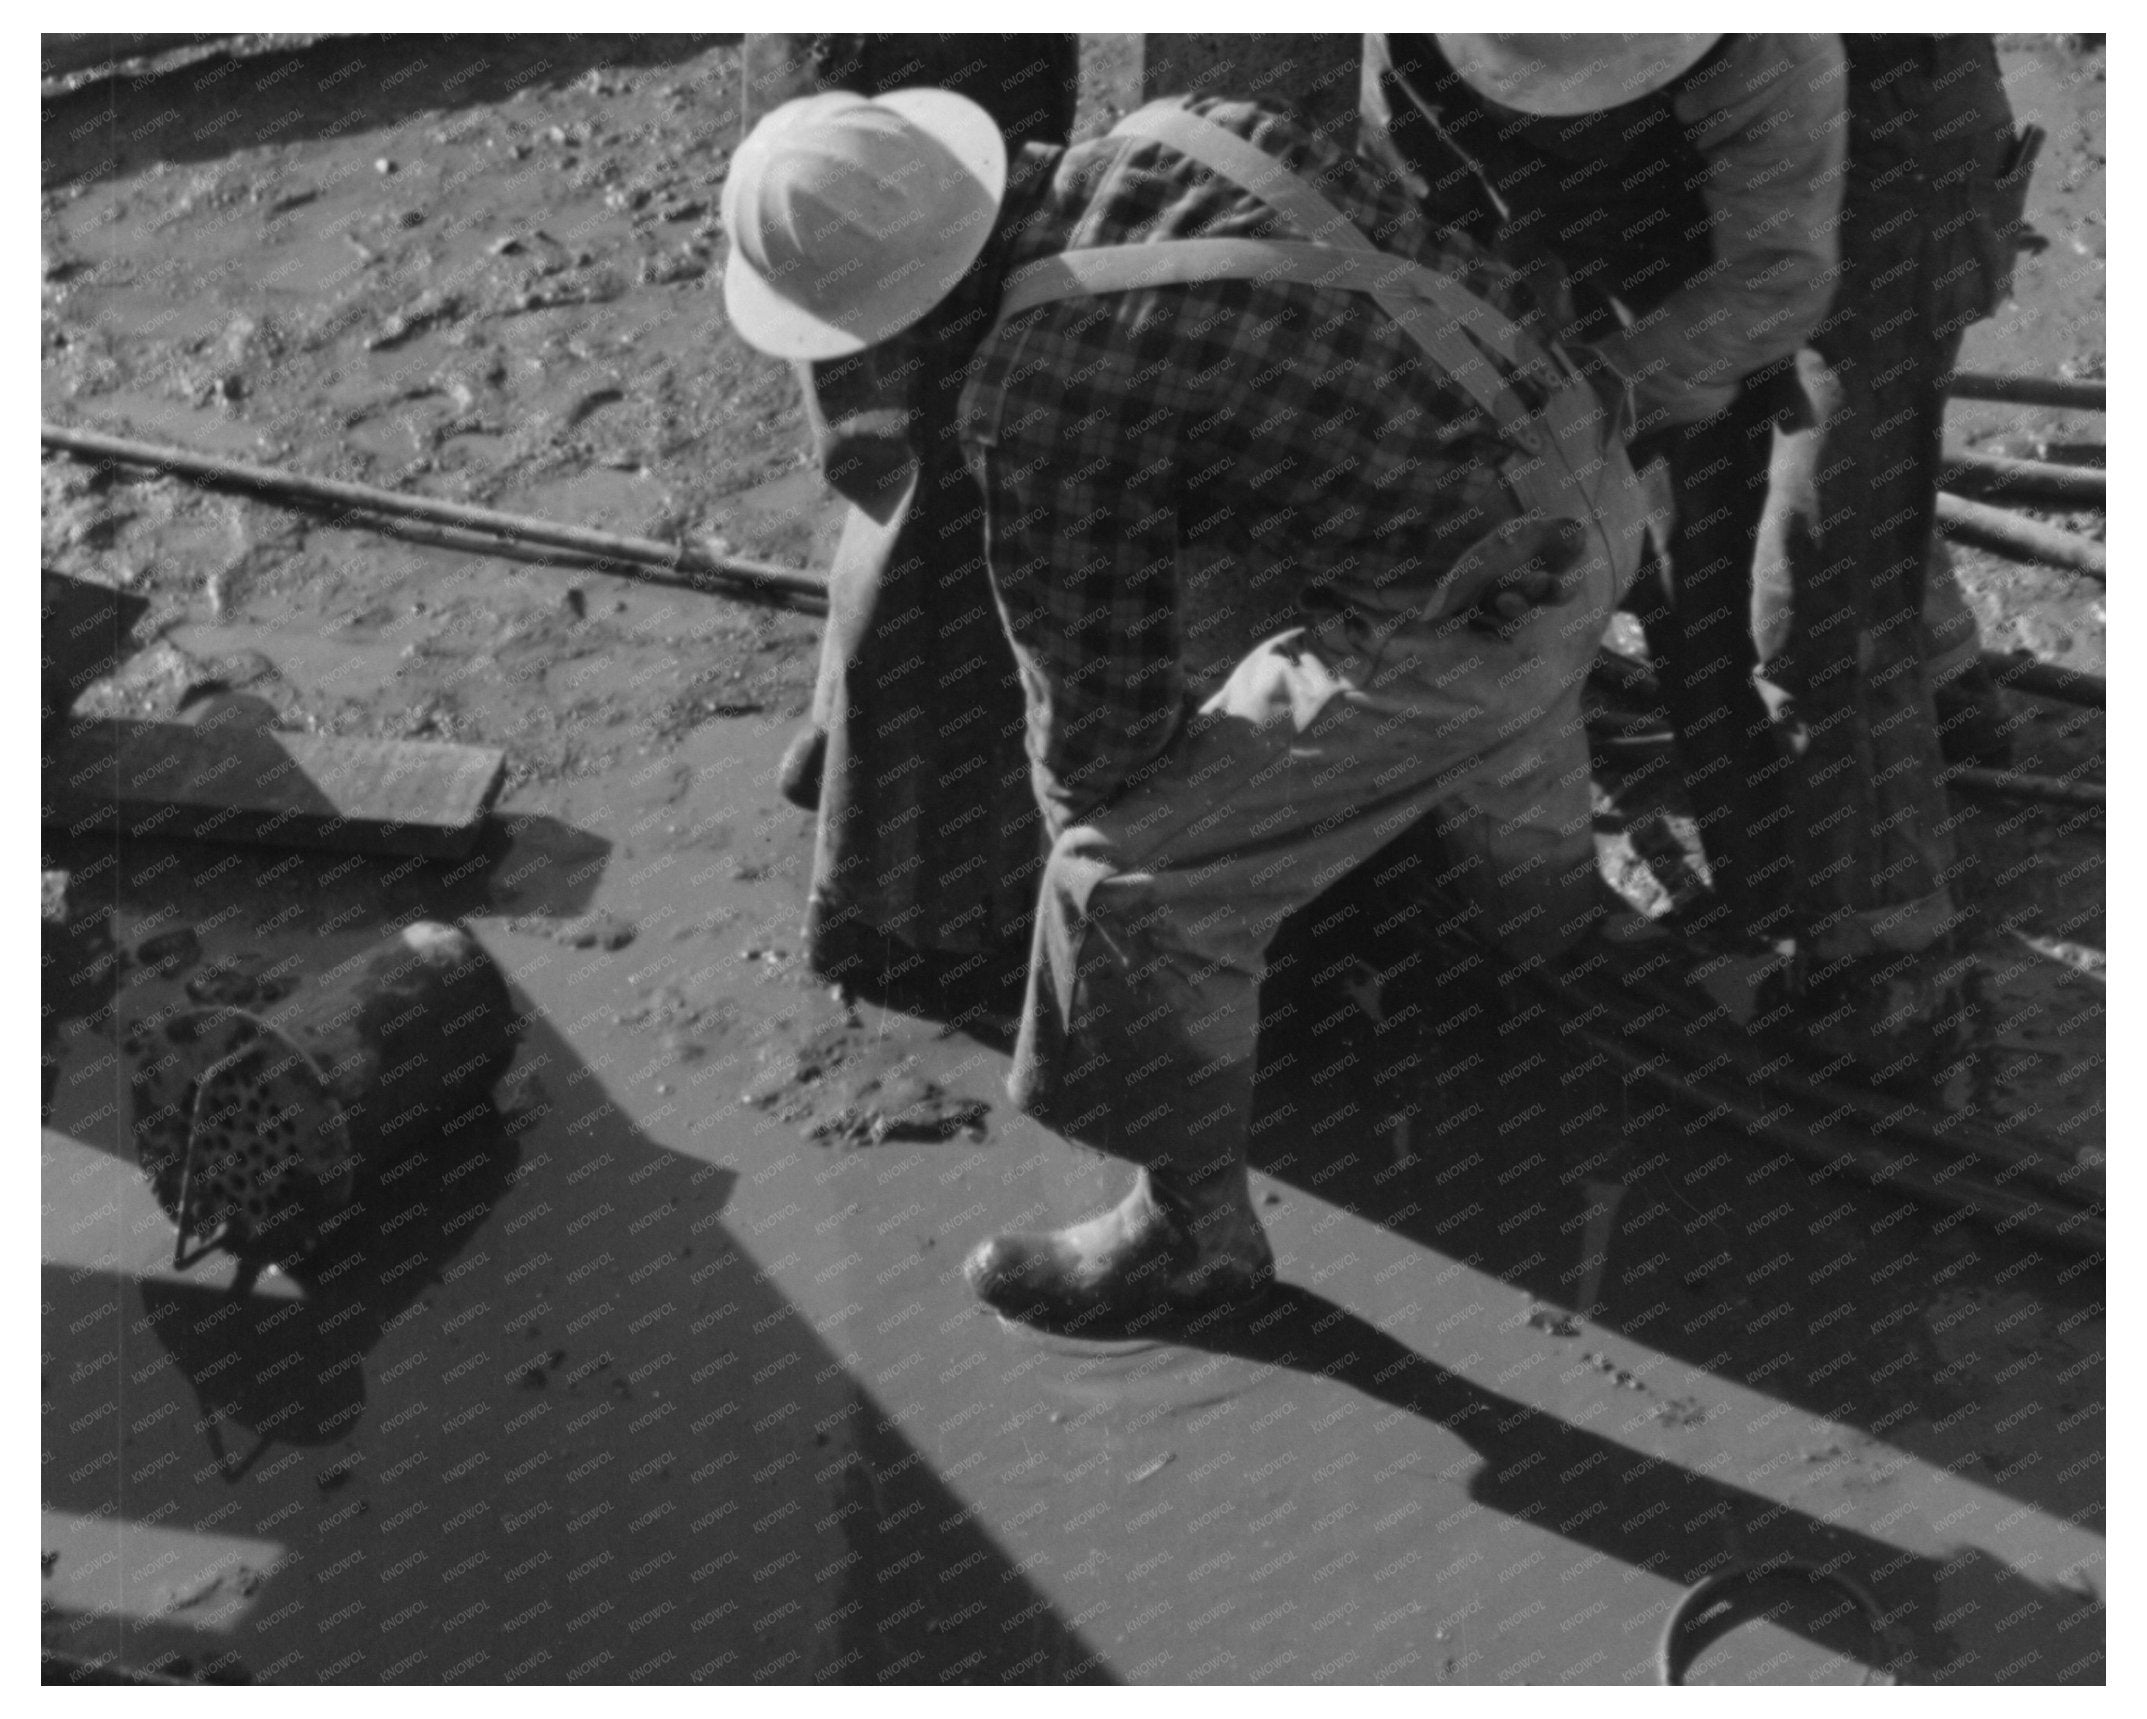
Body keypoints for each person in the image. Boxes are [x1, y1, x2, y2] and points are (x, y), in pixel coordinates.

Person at [722, 88, 1652, 1331]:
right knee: (1503, 721)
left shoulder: (1037, 389)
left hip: (1472, 620)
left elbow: (1093, 726)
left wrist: (1090, 856)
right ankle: (1553, 947)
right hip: (1589, 484)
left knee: (1127, 887)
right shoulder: (1193, 128)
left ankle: (1188, 1231)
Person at [1360, 33, 1845, 947]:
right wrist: (1489, 384)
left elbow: (1775, 276)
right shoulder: (1415, 40)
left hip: (1767, 219)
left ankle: (1775, 900)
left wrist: (1598, 394)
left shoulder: (1771, 48)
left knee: (1724, 560)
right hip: (1579, 214)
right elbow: (1414, 222)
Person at [738, 36, 1080, 1013]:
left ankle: (836, 747)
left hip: (874, 88)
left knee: (897, 437)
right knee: (946, 474)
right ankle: (898, 918)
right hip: (909, 89)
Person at [1747, 34, 2038, 1081]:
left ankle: (1887, 963)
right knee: (1850, 486)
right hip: (1849, 144)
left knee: (1821, 594)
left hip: (1880, 167)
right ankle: (1955, 702)